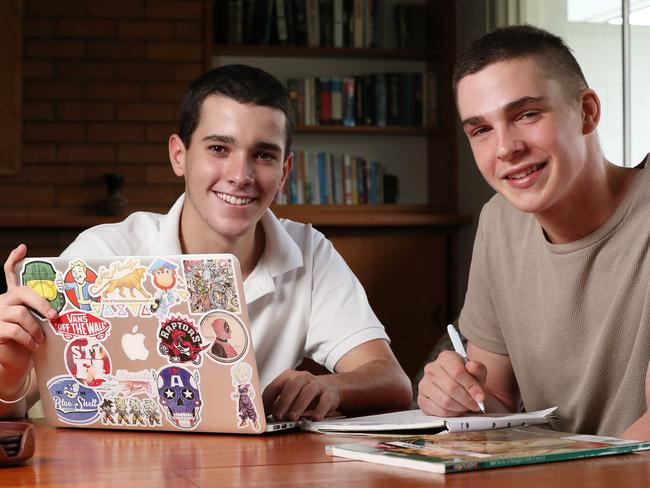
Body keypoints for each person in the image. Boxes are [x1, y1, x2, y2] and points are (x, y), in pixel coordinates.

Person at [0, 64, 412, 421]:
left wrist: (335, 388)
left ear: (285, 171)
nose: (241, 175)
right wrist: (9, 364)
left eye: (264, 155)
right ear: (179, 156)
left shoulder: (309, 250)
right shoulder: (103, 254)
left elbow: (392, 380)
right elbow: (17, 404)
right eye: (219, 148)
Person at [417, 25, 650, 439]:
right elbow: (496, 397)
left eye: (526, 114)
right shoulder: (499, 222)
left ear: (588, 112)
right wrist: (458, 398)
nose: (505, 148)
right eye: (481, 130)